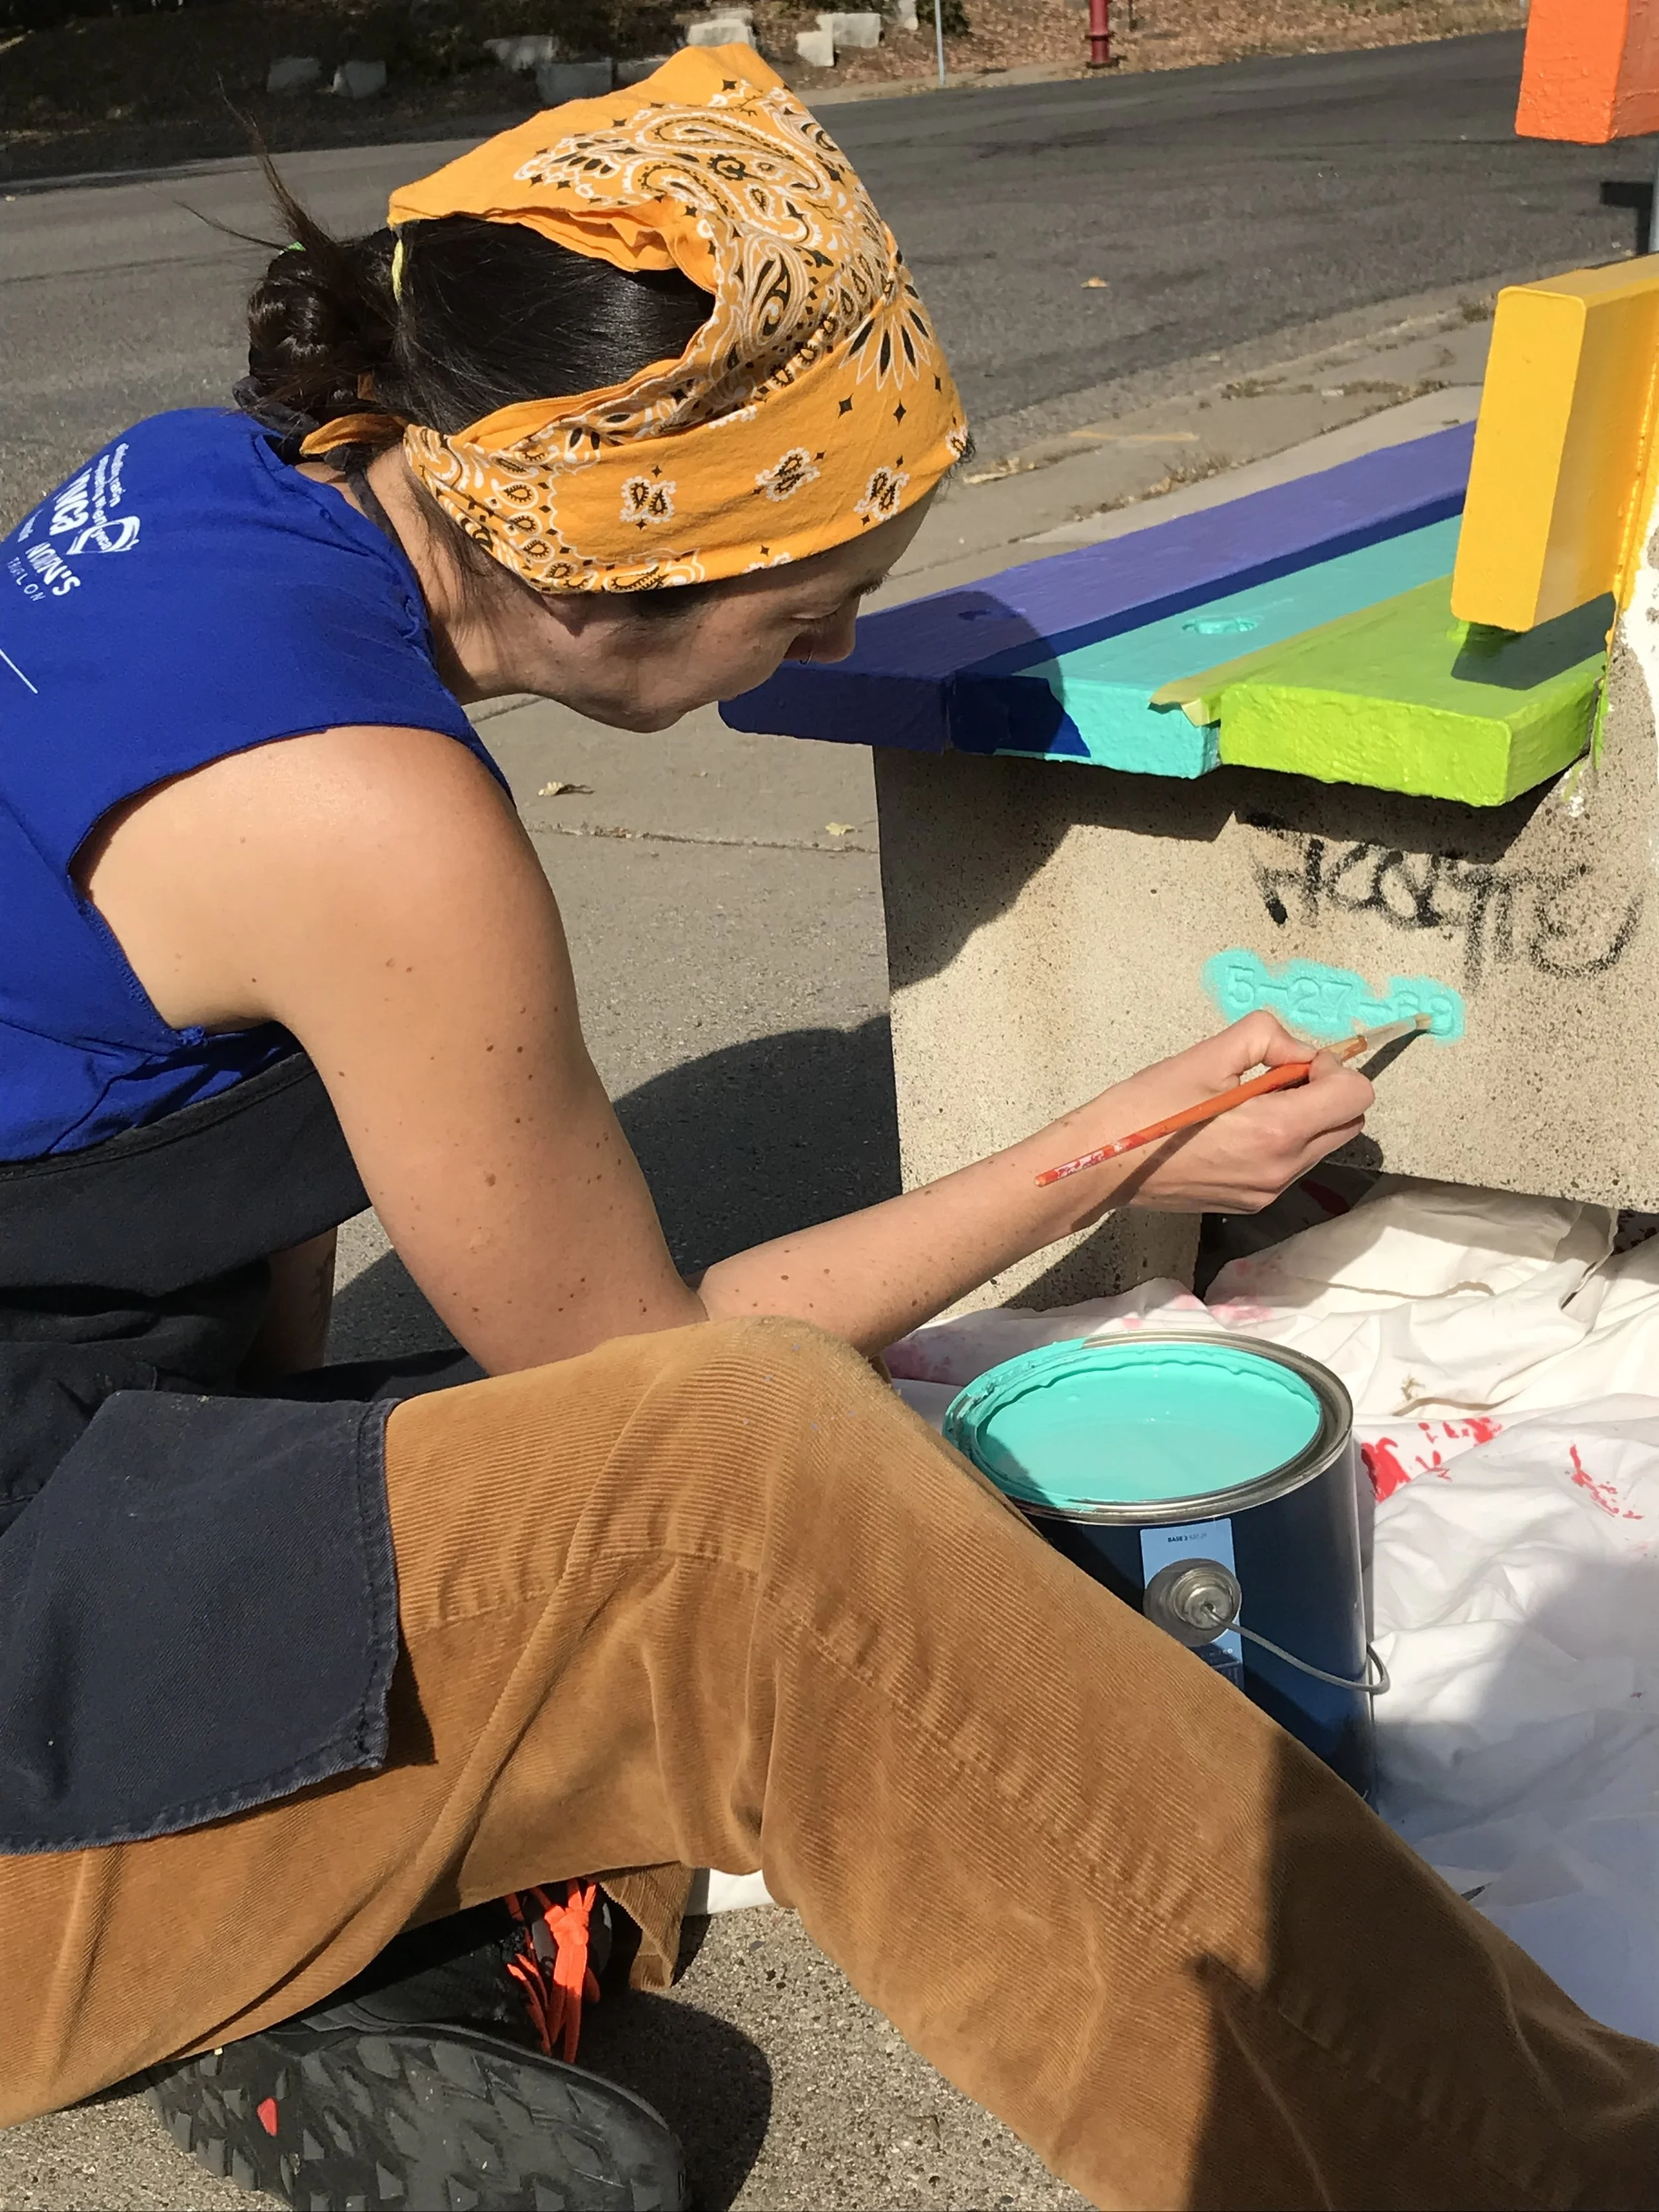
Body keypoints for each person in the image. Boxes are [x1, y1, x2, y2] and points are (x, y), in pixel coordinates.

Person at [1, 45, 1654, 2212]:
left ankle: (393, 1958)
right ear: (606, 564)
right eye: (805, 609)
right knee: (770, 1514)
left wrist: (329, 1517)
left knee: (595, 1539)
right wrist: (1107, 1151)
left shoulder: (223, 487)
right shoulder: (370, 816)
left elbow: (252, 1198)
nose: (838, 647)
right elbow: (679, 1397)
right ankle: (1554, 2169)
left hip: (91, 1451)